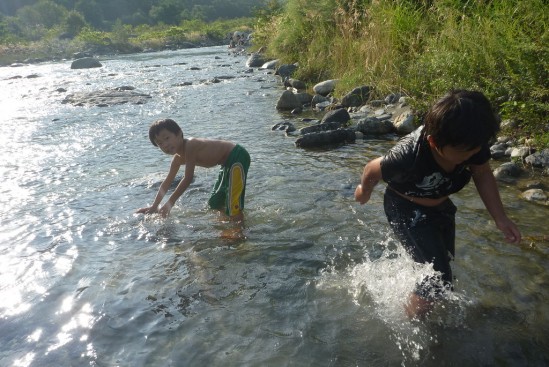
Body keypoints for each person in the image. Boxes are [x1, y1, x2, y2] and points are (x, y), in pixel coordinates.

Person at [354, 90, 521, 319]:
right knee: (436, 276)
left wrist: (500, 219)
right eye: (465, 152)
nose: (473, 155)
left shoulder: (471, 143)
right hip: (405, 208)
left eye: (476, 149)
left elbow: (482, 173)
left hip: (441, 206)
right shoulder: (408, 155)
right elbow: (372, 169)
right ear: (434, 142)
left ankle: (427, 305)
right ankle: (414, 324)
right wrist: (364, 192)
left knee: (444, 265)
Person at [136, 118, 250, 219]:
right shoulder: (177, 159)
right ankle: (226, 221)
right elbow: (167, 182)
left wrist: (170, 203)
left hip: (237, 156)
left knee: (233, 203)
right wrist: (154, 206)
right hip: (226, 165)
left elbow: (188, 178)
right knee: (215, 203)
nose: (165, 144)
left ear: (179, 133)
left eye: (167, 138)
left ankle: (238, 231)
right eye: (160, 143)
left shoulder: (191, 145)